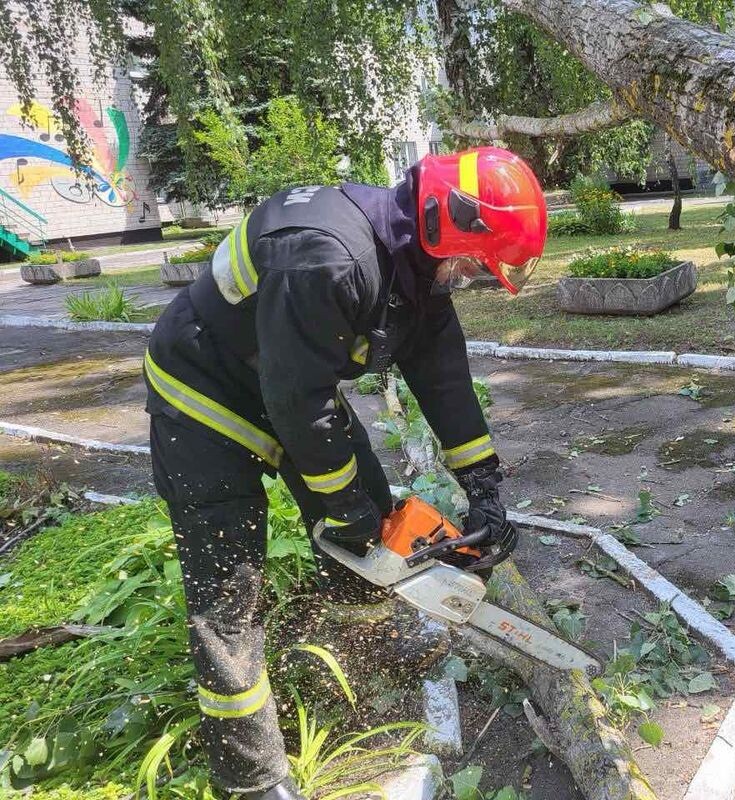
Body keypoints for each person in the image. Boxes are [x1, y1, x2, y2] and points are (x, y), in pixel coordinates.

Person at [143, 147, 547, 799]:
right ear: (445, 222)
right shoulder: (329, 256)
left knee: (372, 520)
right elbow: (296, 400)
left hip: (284, 383)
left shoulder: (416, 272)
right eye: (475, 262)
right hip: (204, 393)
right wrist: (338, 506)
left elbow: (445, 382)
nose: (472, 276)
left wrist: (485, 490)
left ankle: (330, 645)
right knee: (228, 585)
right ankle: (248, 780)